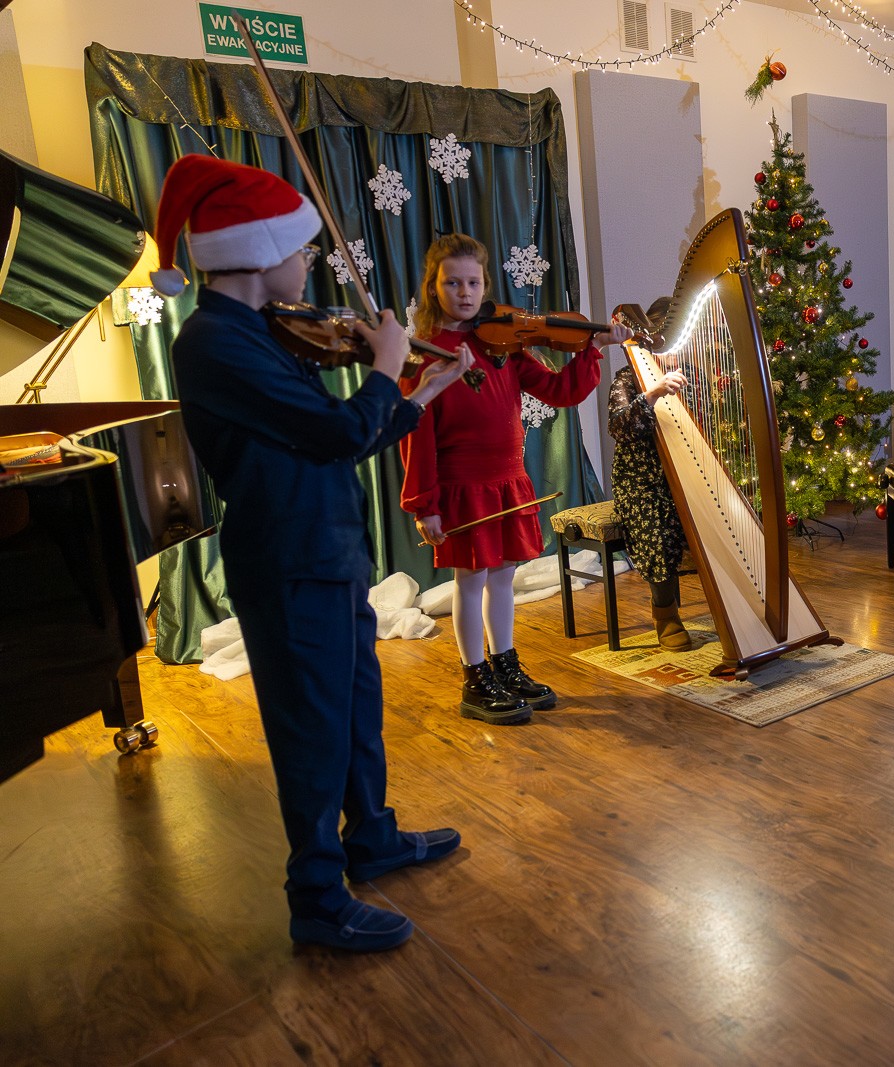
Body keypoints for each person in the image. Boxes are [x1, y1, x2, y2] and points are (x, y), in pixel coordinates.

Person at [156, 155, 471, 952]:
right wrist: (387, 362)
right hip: (287, 559)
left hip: (326, 550)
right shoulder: (212, 342)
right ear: (259, 252)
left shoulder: (262, 332)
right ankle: (318, 897)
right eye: (300, 249)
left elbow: (345, 439)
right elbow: (336, 430)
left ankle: (372, 838)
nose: (308, 265)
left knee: (356, 710)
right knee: (312, 730)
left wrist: (421, 392)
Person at [402, 234, 628, 725]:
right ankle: (475, 678)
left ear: (485, 286)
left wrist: (593, 348)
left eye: (473, 282)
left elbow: (559, 391)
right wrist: (425, 504)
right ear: (434, 287)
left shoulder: (501, 343)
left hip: (507, 478)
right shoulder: (425, 354)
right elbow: (415, 435)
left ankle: (504, 664)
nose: (465, 292)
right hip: (462, 485)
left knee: (503, 577)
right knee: (470, 581)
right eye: (453, 283)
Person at [607, 298, 694, 649]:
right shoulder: (627, 378)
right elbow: (618, 426)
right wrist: (653, 394)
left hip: (683, 474)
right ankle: (666, 614)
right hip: (639, 480)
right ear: (651, 340)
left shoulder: (690, 376)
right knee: (657, 525)